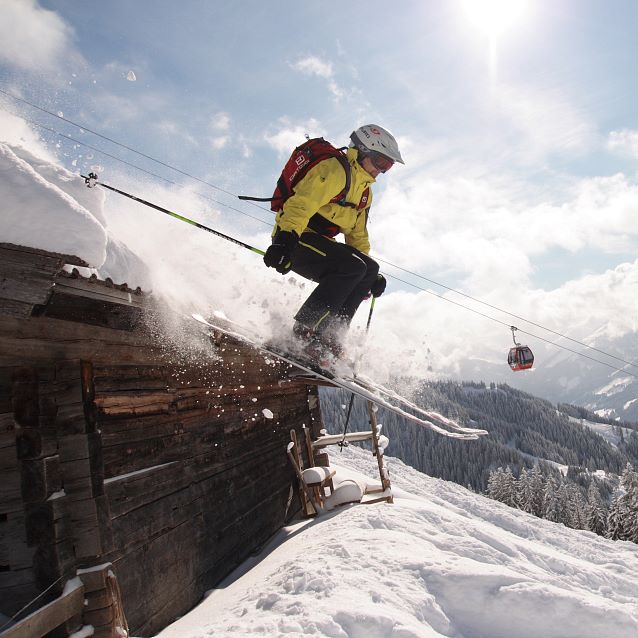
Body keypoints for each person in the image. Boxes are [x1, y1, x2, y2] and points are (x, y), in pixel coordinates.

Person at [263, 124, 404, 358]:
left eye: (387, 166)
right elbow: (301, 205)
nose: (382, 170)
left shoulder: (365, 192)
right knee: (351, 267)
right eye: (380, 162)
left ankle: (330, 338)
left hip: (318, 244)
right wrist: (283, 243)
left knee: (368, 268)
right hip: (294, 239)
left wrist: (371, 278)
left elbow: (357, 235)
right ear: (361, 151)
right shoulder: (335, 170)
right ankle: (301, 336)